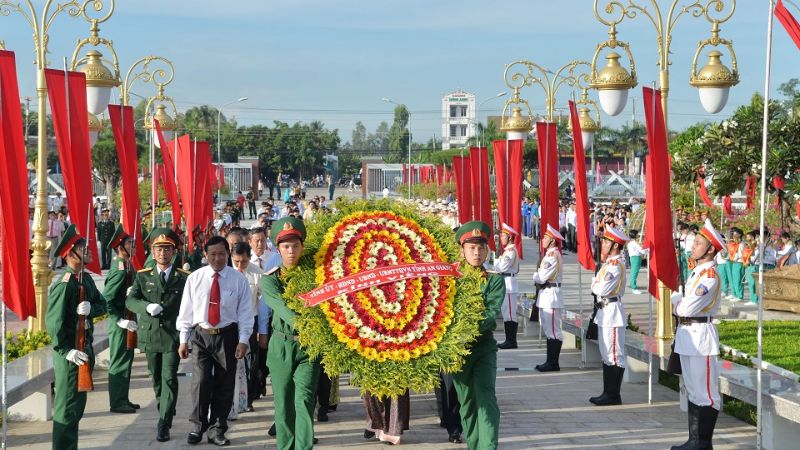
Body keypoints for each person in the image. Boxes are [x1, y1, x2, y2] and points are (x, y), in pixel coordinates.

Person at [177, 236, 254, 446]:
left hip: (227, 336)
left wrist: (244, 339)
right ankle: (197, 426)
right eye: (212, 254)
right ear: (205, 255)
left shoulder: (237, 280)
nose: (217, 258)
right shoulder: (195, 278)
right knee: (201, 381)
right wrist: (183, 339)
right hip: (201, 336)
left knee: (225, 384)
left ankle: (217, 428)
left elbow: (246, 313)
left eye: (221, 254)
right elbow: (186, 312)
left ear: (227, 254)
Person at [260, 216, 321, 449]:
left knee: (304, 401)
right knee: (283, 404)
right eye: (286, 246)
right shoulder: (270, 280)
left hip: (308, 347)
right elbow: (283, 309)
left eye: (295, 245)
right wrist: (309, 325)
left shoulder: (316, 278)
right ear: (278, 249)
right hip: (281, 346)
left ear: (302, 246)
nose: (291, 251)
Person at [125, 228, 189, 442]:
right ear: (152, 253)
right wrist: (146, 307)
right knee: (157, 379)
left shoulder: (184, 278)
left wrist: (186, 337)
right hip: (151, 335)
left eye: (167, 249)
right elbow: (130, 300)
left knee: (169, 378)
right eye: (158, 249)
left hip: (173, 336)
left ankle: (164, 423)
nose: (163, 253)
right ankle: (166, 410)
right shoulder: (143, 276)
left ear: (174, 252)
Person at [46, 224, 106, 450]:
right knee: (67, 408)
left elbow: (103, 304)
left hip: (83, 348)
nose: (89, 250)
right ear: (71, 254)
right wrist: (65, 350)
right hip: (70, 353)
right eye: (83, 247)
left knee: (76, 408)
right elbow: (53, 322)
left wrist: (92, 308)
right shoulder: (65, 284)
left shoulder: (86, 279)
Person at [669, 219, 725, 450]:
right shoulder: (697, 273)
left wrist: (677, 303)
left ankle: (703, 443)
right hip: (687, 336)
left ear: (710, 248)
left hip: (702, 337)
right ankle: (693, 440)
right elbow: (682, 306)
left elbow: (684, 308)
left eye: (699, 242)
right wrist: (679, 303)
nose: (693, 245)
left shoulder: (709, 277)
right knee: (693, 390)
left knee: (706, 393)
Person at [452, 221, 504, 450]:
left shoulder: (494, 279)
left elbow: (491, 313)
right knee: (467, 402)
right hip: (457, 352)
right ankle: (474, 445)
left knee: (485, 397)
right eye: (471, 248)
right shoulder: (451, 278)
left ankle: (488, 447)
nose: (477, 252)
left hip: (483, 348)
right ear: (462, 250)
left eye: (481, 247)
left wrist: (464, 329)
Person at [589, 226, 629, 406]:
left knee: (613, 354)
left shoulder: (615, 265)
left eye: (606, 241)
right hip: (604, 311)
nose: (602, 243)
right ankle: (607, 392)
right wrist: (596, 285)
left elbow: (600, 289)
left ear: (614, 246)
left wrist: (595, 285)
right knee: (606, 353)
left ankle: (613, 395)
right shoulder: (609, 263)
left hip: (612, 311)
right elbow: (597, 287)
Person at [103, 225, 140, 415]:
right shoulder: (119, 269)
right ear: (120, 247)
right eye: (129, 243)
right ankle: (117, 402)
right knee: (119, 362)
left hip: (128, 319)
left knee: (127, 360)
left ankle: (123, 398)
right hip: (120, 323)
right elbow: (107, 298)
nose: (133, 246)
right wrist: (118, 320)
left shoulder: (127, 264)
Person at [230, 242, 271, 413]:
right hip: (230, 323)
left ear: (249, 258)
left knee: (251, 362)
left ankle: (248, 398)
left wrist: (262, 331)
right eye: (236, 262)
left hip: (250, 321)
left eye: (244, 262)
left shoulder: (257, 273)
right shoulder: (225, 273)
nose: (240, 266)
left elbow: (264, 304)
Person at [532, 225, 564, 372]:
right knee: (548, 329)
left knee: (553, 330)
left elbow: (541, 277)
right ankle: (550, 361)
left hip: (551, 295)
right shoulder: (550, 255)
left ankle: (553, 362)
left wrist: (536, 276)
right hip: (546, 294)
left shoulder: (552, 256)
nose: (542, 239)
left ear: (552, 241)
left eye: (545, 238)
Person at [495, 223, 520, 350]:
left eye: (503, 236)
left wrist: (495, 265)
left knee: (509, 313)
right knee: (506, 313)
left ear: (509, 237)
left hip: (509, 283)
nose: (501, 238)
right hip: (506, 282)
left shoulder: (510, 251)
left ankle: (511, 341)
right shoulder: (507, 251)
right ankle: (508, 339)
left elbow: (501, 267)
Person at [726, 227, 745, 301]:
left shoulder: (742, 244)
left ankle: (740, 296)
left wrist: (736, 256)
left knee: (738, 280)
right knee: (734, 280)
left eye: (735, 233)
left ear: (739, 235)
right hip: (734, 263)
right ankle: (736, 295)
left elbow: (742, 254)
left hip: (739, 263)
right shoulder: (734, 243)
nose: (734, 235)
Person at [627, 229, 648, 294]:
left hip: (635, 258)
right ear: (634, 235)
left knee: (634, 272)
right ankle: (634, 287)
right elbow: (642, 251)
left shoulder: (631, 243)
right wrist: (647, 249)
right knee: (634, 272)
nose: (638, 236)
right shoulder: (634, 243)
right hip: (635, 258)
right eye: (637, 234)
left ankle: (633, 286)